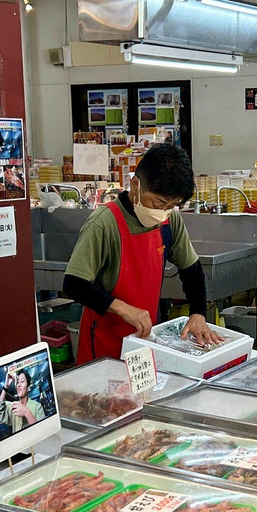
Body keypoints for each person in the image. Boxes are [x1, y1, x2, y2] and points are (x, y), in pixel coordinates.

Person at [63, 143, 223, 362]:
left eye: (172, 205)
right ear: (135, 185)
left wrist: (198, 313)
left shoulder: (170, 220)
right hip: (104, 342)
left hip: (146, 338)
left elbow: (191, 271)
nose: (163, 212)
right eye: (159, 202)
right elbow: (74, 284)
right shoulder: (104, 223)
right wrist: (122, 308)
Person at [0, 368, 46, 432]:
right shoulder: (13, 406)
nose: (19, 385)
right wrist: (6, 386)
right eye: (18, 382)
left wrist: (26, 412)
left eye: (22, 381)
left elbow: (42, 431)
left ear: (28, 388)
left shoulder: (37, 407)